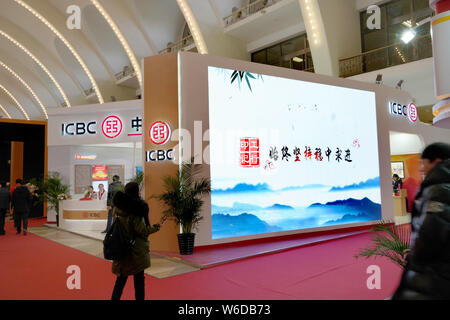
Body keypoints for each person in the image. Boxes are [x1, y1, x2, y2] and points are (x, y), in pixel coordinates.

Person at [392, 142, 450, 300]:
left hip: (434, 276)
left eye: (423, 163)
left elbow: (430, 234)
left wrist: (414, 253)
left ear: (436, 162)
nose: (420, 168)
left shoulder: (439, 190)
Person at [110, 182, 165, 300]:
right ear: (135, 192)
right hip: (136, 251)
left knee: (120, 280)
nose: (140, 193)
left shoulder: (117, 208)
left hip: (121, 247)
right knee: (139, 280)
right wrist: (157, 226)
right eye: (138, 190)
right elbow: (143, 231)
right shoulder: (136, 211)